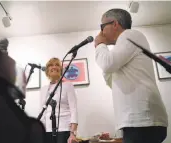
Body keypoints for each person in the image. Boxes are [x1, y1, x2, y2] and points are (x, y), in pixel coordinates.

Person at [94, 8, 168, 143]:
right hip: (137, 121)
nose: (101, 32)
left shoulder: (130, 35)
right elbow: (112, 81)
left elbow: (107, 64)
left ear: (115, 24)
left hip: (142, 121)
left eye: (102, 26)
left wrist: (99, 44)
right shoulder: (122, 48)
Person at [40, 57, 78, 143]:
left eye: (57, 65)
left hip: (64, 129)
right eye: (51, 65)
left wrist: (73, 133)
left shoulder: (68, 85)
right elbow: (42, 112)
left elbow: (74, 109)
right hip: (47, 130)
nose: (54, 67)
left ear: (61, 69)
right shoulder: (43, 89)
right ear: (47, 70)